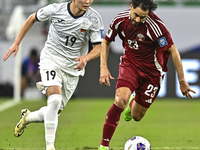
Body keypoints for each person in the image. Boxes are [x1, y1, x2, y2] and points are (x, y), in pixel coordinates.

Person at [3, 0, 104, 150]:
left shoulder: (94, 18)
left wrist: (86, 58)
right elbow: (32, 18)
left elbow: (98, 48)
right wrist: (17, 41)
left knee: (54, 111)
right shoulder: (56, 9)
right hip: (51, 59)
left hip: (72, 68)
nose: (88, 1)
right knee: (55, 100)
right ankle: (50, 147)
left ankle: (28, 117)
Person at [98, 0, 196, 149]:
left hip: (152, 72)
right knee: (119, 100)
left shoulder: (156, 27)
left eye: (142, 17)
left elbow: (173, 51)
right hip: (129, 65)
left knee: (137, 116)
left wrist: (182, 80)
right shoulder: (120, 20)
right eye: (136, 15)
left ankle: (132, 103)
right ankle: (104, 146)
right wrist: (103, 67)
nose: (137, 20)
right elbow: (106, 42)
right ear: (131, 7)